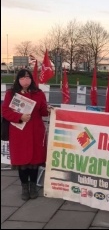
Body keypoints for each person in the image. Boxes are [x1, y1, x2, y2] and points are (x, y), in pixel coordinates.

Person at [2, 69, 51, 201]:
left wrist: (47, 109)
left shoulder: (38, 93)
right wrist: (19, 117)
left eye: (28, 77)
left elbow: (42, 111)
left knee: (34, 162)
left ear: (31, 79)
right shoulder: (11, 94)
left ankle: (33, 186)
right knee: (22, 162)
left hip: (36, 132)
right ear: (18, 79)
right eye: (22, 77)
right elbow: (5, 111)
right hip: (19, 132)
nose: (25, 80)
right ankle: (24, 187)